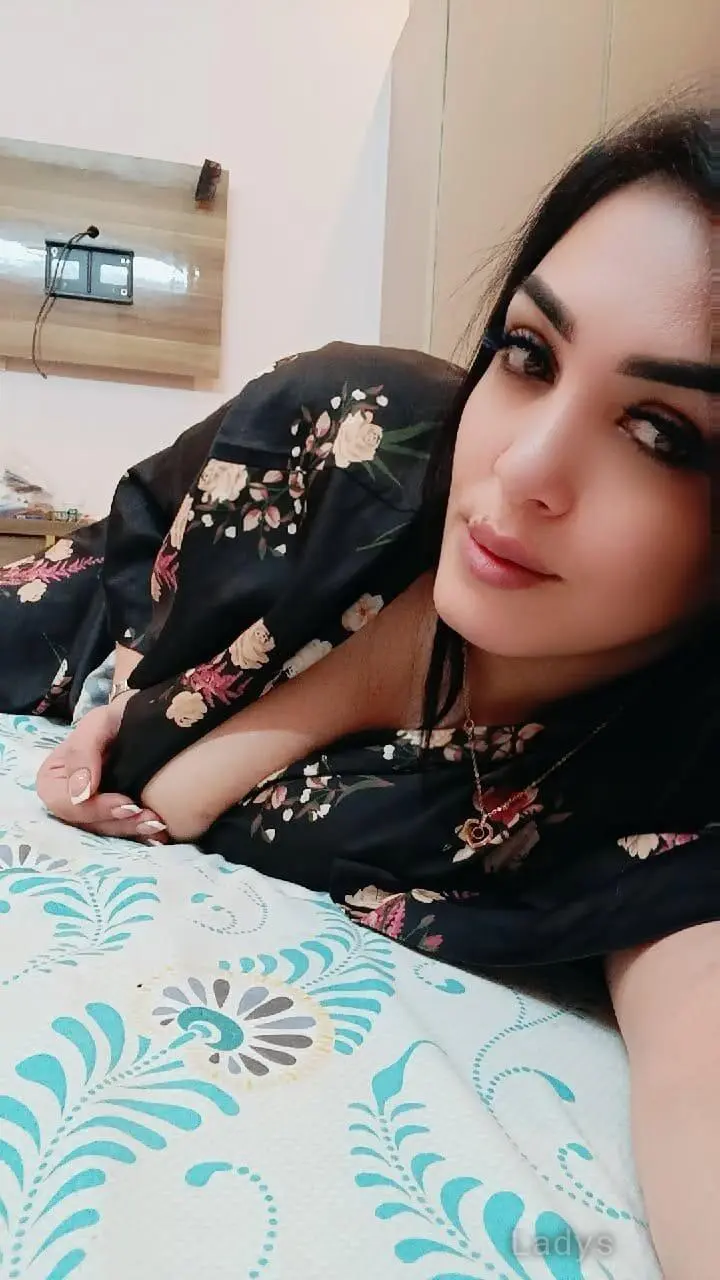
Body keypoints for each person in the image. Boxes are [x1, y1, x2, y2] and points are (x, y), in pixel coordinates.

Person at [0, 102, 718, 1276]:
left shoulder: (665, 802)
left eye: (663, 433)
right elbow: (139, 678)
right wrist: (139, 700)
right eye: (529, 354)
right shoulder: (349, 441)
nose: (525, 468)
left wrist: (313, 699)